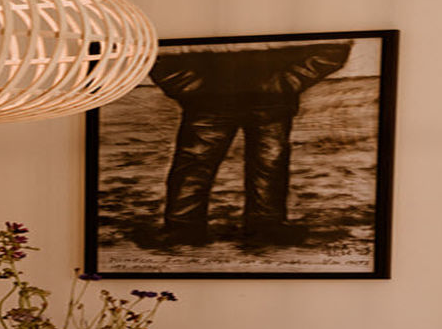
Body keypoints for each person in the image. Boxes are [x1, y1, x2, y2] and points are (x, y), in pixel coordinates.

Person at [149, 40, 352, 244]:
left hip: (270, 103)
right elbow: (153, 56)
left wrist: (285, 83)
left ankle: (267, 226)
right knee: (194, 162)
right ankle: (183, 227)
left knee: (270, 163)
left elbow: (334, 48)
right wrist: (194, 89)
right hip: (209, 103)